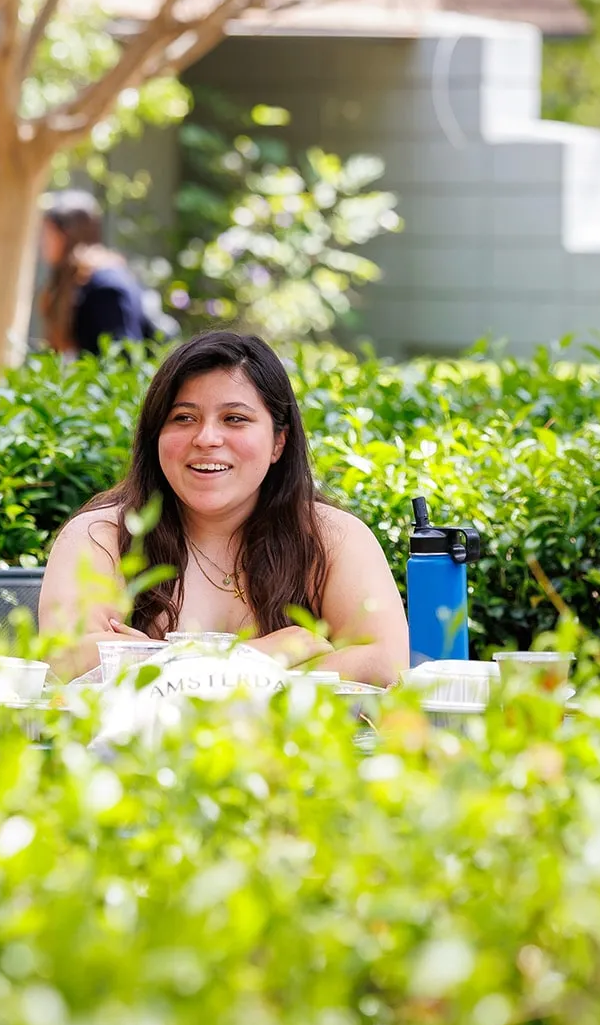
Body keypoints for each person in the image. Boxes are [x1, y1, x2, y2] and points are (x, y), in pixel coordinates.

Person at [39, 330, 408, 685]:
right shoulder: (102, 535)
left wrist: (148, 658)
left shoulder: (333, 537)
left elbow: (382, 662)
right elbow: (68, 658)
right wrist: (261, 655)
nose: (207, 438)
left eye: (235, 419)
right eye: (184, 418)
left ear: (279, 441)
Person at [38, 190, 157, 358]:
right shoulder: (72, 281)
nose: (42, 242)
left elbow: (122, 357)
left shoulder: (105, 286)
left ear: (66, 235)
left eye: (48, 234)